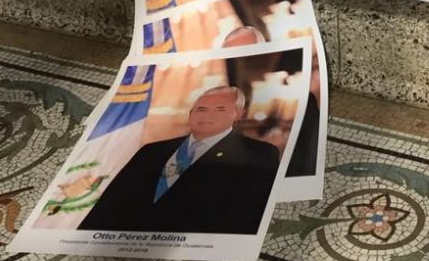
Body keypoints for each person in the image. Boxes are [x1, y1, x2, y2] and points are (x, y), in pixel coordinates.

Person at [78, 85, 279, 234]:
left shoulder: (258, 153)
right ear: (191, 114)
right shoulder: (152, 151)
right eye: (201, 109)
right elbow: (113, 199)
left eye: (220, 109)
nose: (207, 116)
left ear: (238, 114)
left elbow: (245, 214)